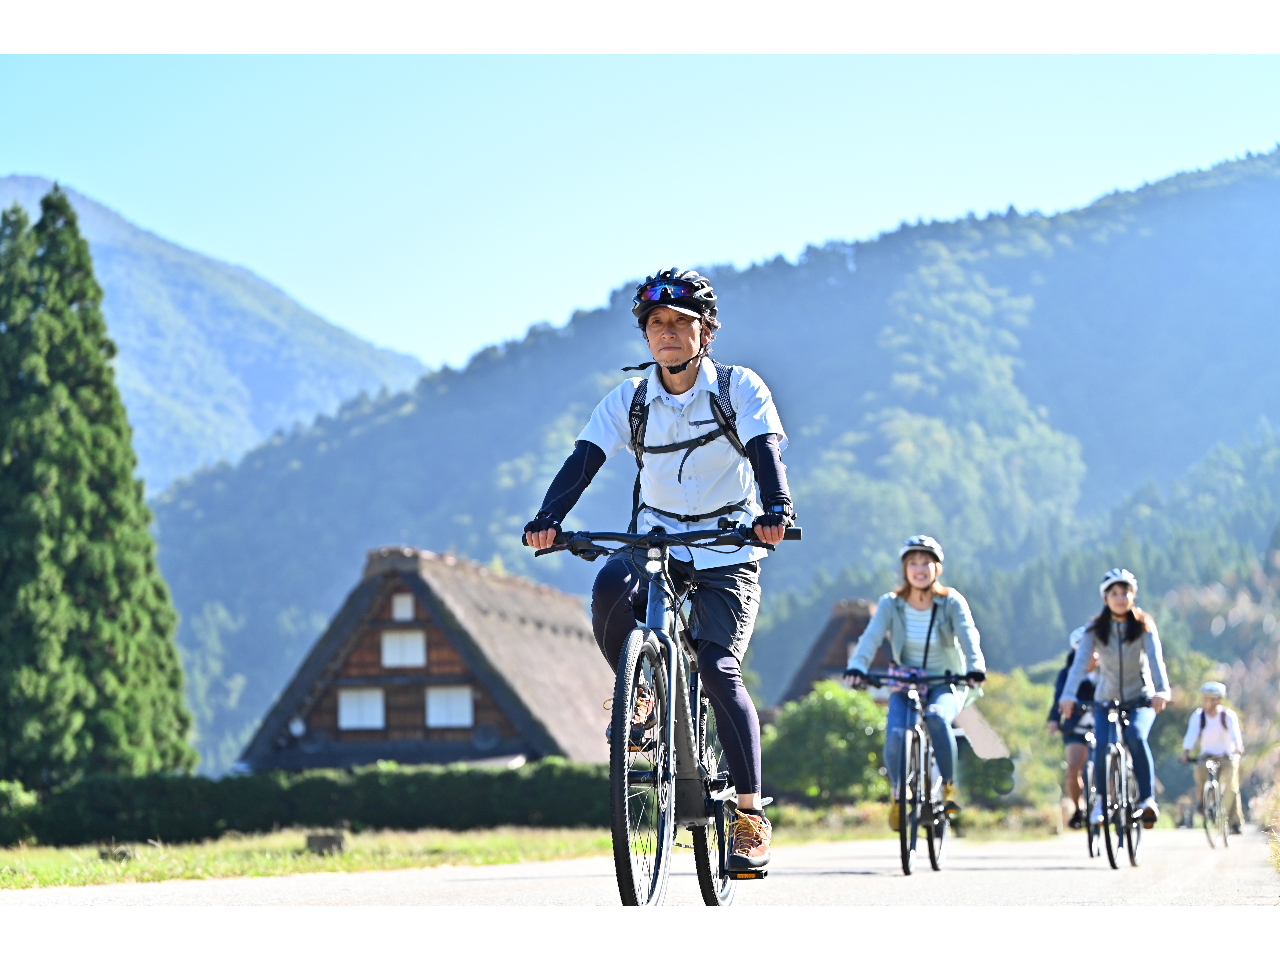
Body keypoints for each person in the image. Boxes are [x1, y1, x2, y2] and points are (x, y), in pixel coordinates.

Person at [523, 268, 794, 872]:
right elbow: (584, 459)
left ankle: (749, 815)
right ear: (645, 336)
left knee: (720, 669)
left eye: (680, 323)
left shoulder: (738, 387)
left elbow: (764, 449)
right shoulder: (633, 398)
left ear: (705, 330)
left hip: (727, 547)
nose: (667, 334)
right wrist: (548, 516)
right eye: (655, 325)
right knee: (608, 585)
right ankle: (641, 688)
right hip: (657, 542)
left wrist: (776, 509)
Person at [844, 536, 986, 826]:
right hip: (905, 683)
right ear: (904, 569)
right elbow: (871, 638)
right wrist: (857, 666)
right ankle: (899, 794)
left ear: (938, 568)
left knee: (936, 716)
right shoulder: (890, 604)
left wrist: (975, 667)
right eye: (913, 563)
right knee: (896, 733)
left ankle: (948, 786)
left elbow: (968, 634)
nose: (919, 569)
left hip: (945, 680)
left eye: (926, 563)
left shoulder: (950, 601)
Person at [1059, 568, 1171, 828]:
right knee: (1102, 747)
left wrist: (1161, 690)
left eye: (1126, 592)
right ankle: (1099, 801)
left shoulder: (1144, 626)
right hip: (1105, 699)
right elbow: (1078, 667)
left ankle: (1147, 802)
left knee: (1136, 736)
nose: (1120, 598)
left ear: (1133, 596)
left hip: (1140, 698)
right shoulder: (1095, 629)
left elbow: (1156, 661)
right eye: (1114, 593)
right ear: (1105, 598)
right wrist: (1067, 696)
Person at [1046, 627, 1099, 829]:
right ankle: (1079, 809)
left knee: (1107, 760)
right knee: (1073, 769)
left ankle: (1110, 803)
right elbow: (1059, 697)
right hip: (1075, 726)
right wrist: (1054, 719)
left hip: (1104, 724)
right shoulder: (1068, 673)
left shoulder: (1108, 672)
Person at [1181, 680, 1244, 834]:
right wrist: (1186, 752)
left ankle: (1235, 823)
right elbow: (1191, 734)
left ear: (1217, 700)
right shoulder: (1198, 716)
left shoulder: (1228, 716)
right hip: (1207, 756)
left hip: (1227, 756)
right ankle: (1203, 803)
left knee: (1231, 786)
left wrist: (1237, 748)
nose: (1204, 701)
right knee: (1199, 771)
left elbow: (1235, 736)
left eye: (1207, 698)